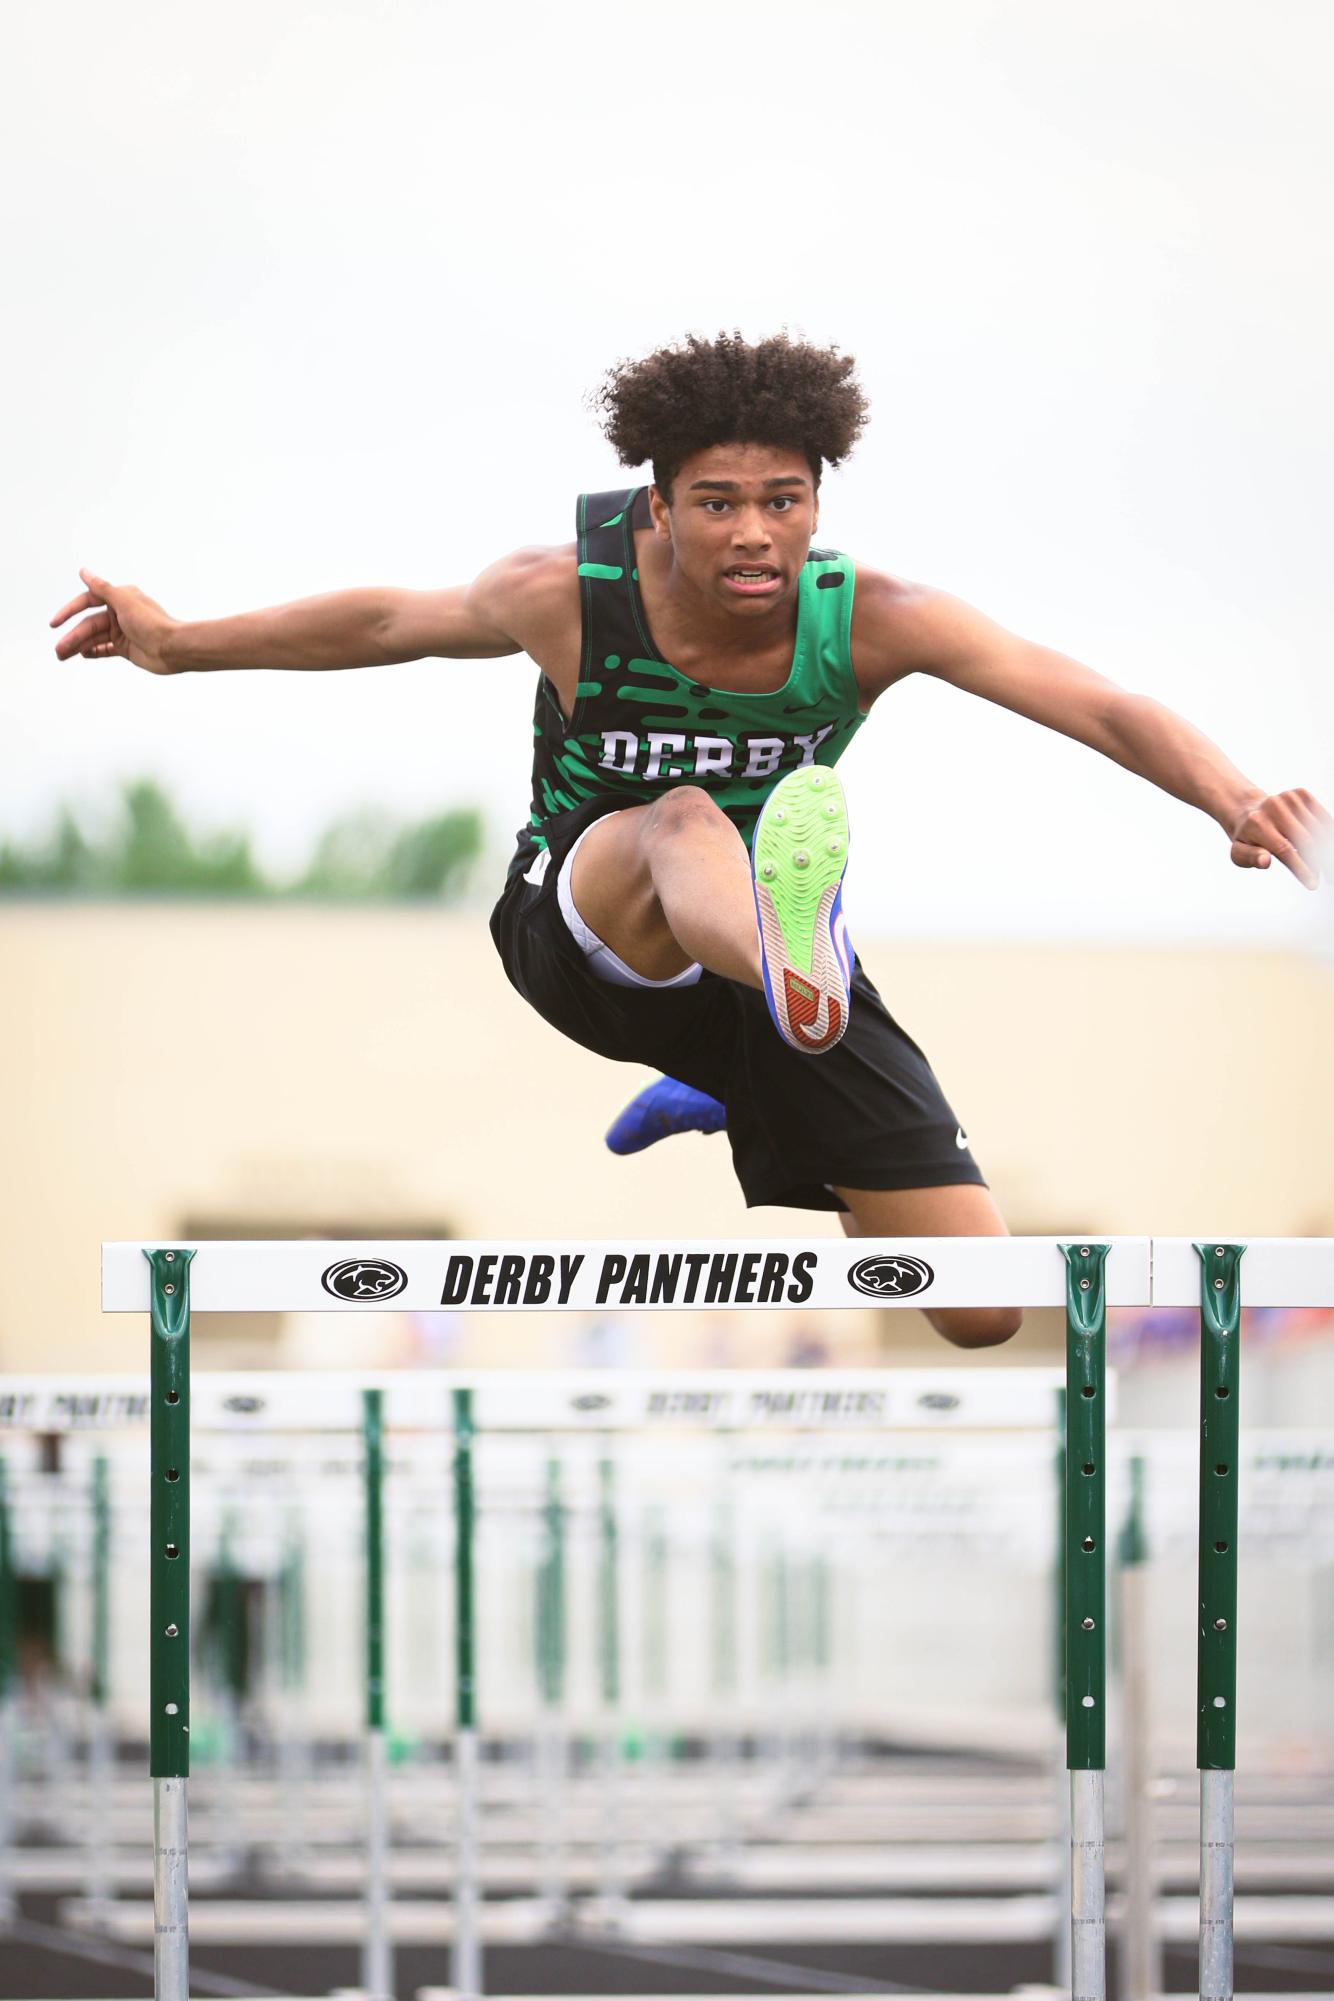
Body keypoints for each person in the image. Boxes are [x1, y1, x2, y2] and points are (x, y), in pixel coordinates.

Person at [50, 333, 1331, 1348]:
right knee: (679, 816)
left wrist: (1233, 797)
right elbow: (386, 620)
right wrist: (176, 644)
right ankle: (780, 969)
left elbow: (1096, 701)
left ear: (818, 504)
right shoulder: (564, 591)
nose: (753, 533)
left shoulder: (875, 619)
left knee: (975, 1302)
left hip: (770, 978)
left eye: (782, 501)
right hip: (582, 914)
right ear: (655, 507)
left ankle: (739, 1071)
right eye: (716, 504)